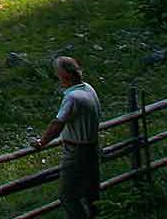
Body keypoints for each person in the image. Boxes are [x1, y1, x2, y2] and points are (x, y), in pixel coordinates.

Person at [36, 55, 102, 219]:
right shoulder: (88, 88)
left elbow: (57, 125)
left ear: (65, 75)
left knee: (68, 196)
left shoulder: (72, 98)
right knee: (91, 193)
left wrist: (41, 142)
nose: (57, 77)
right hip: (92, 147)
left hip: (76, 151)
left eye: (58, 73)